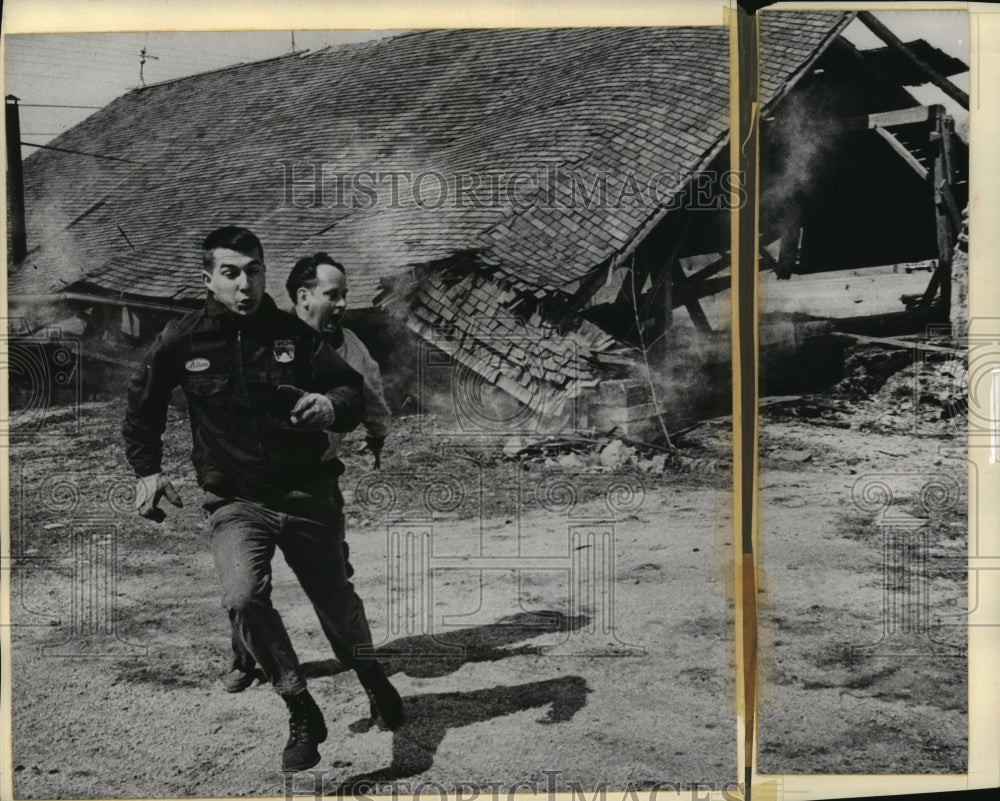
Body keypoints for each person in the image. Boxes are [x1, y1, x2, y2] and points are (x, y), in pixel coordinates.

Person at [122, 226, 403, 773]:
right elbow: (143, 406)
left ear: (266, 273)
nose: (245, 284)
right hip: (235, 500)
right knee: (242, 598)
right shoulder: (182, 339)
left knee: (336, 604)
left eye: (254, 271)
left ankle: (371, 676)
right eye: (231, 273)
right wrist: (148, 471)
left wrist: (330, 404)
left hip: (307, 492)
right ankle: (300, 705)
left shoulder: (293, 335)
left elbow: (350, 391)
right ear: (208, 279)